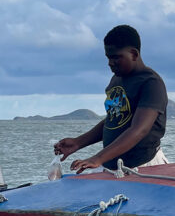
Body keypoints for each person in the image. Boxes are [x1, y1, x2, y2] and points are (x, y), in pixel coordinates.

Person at [55, 24, 168, 173]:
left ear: (134, 54)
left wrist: (97, 158)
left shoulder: (151, 83)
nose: (110, 63)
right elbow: (113, 120)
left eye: (116, 57)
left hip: (144, 167)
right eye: (108, 57)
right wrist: (78, 142)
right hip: (113, 167)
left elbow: (139, 130)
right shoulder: (116, 80)